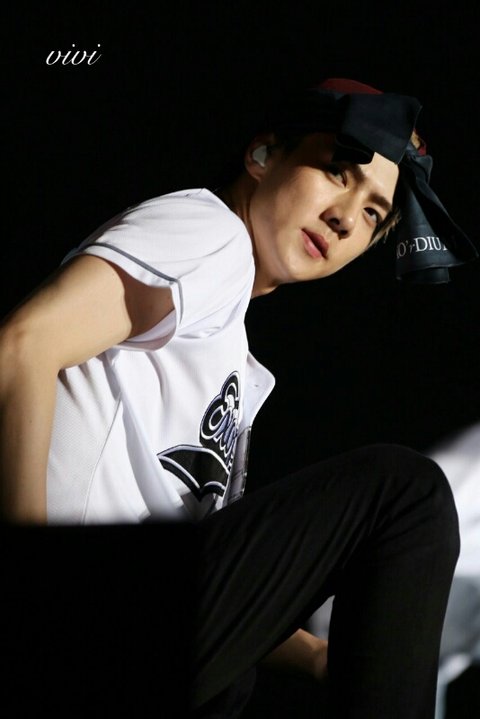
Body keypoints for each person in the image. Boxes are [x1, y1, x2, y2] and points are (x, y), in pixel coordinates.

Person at [0, 77, 477, 718]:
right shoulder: (211, 232)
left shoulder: (228, 347)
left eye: (372, 214)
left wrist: (319, 656)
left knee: (233, 686)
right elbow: (22, 346)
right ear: (263, 155)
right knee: (406, 494)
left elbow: (221, 583)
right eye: (337, 172)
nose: (345, 218)